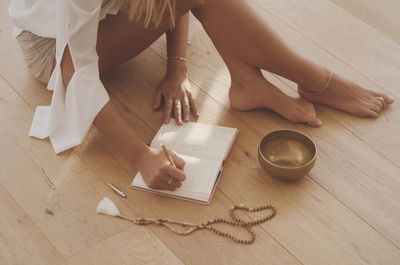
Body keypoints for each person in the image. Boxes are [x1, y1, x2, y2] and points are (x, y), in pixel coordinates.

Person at [9, 0, 393, 191]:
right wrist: (142, 156)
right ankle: (316, 81)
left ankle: (248, 81)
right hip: (52, 49)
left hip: (101, 18)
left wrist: (177, 68)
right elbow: (75, 72)